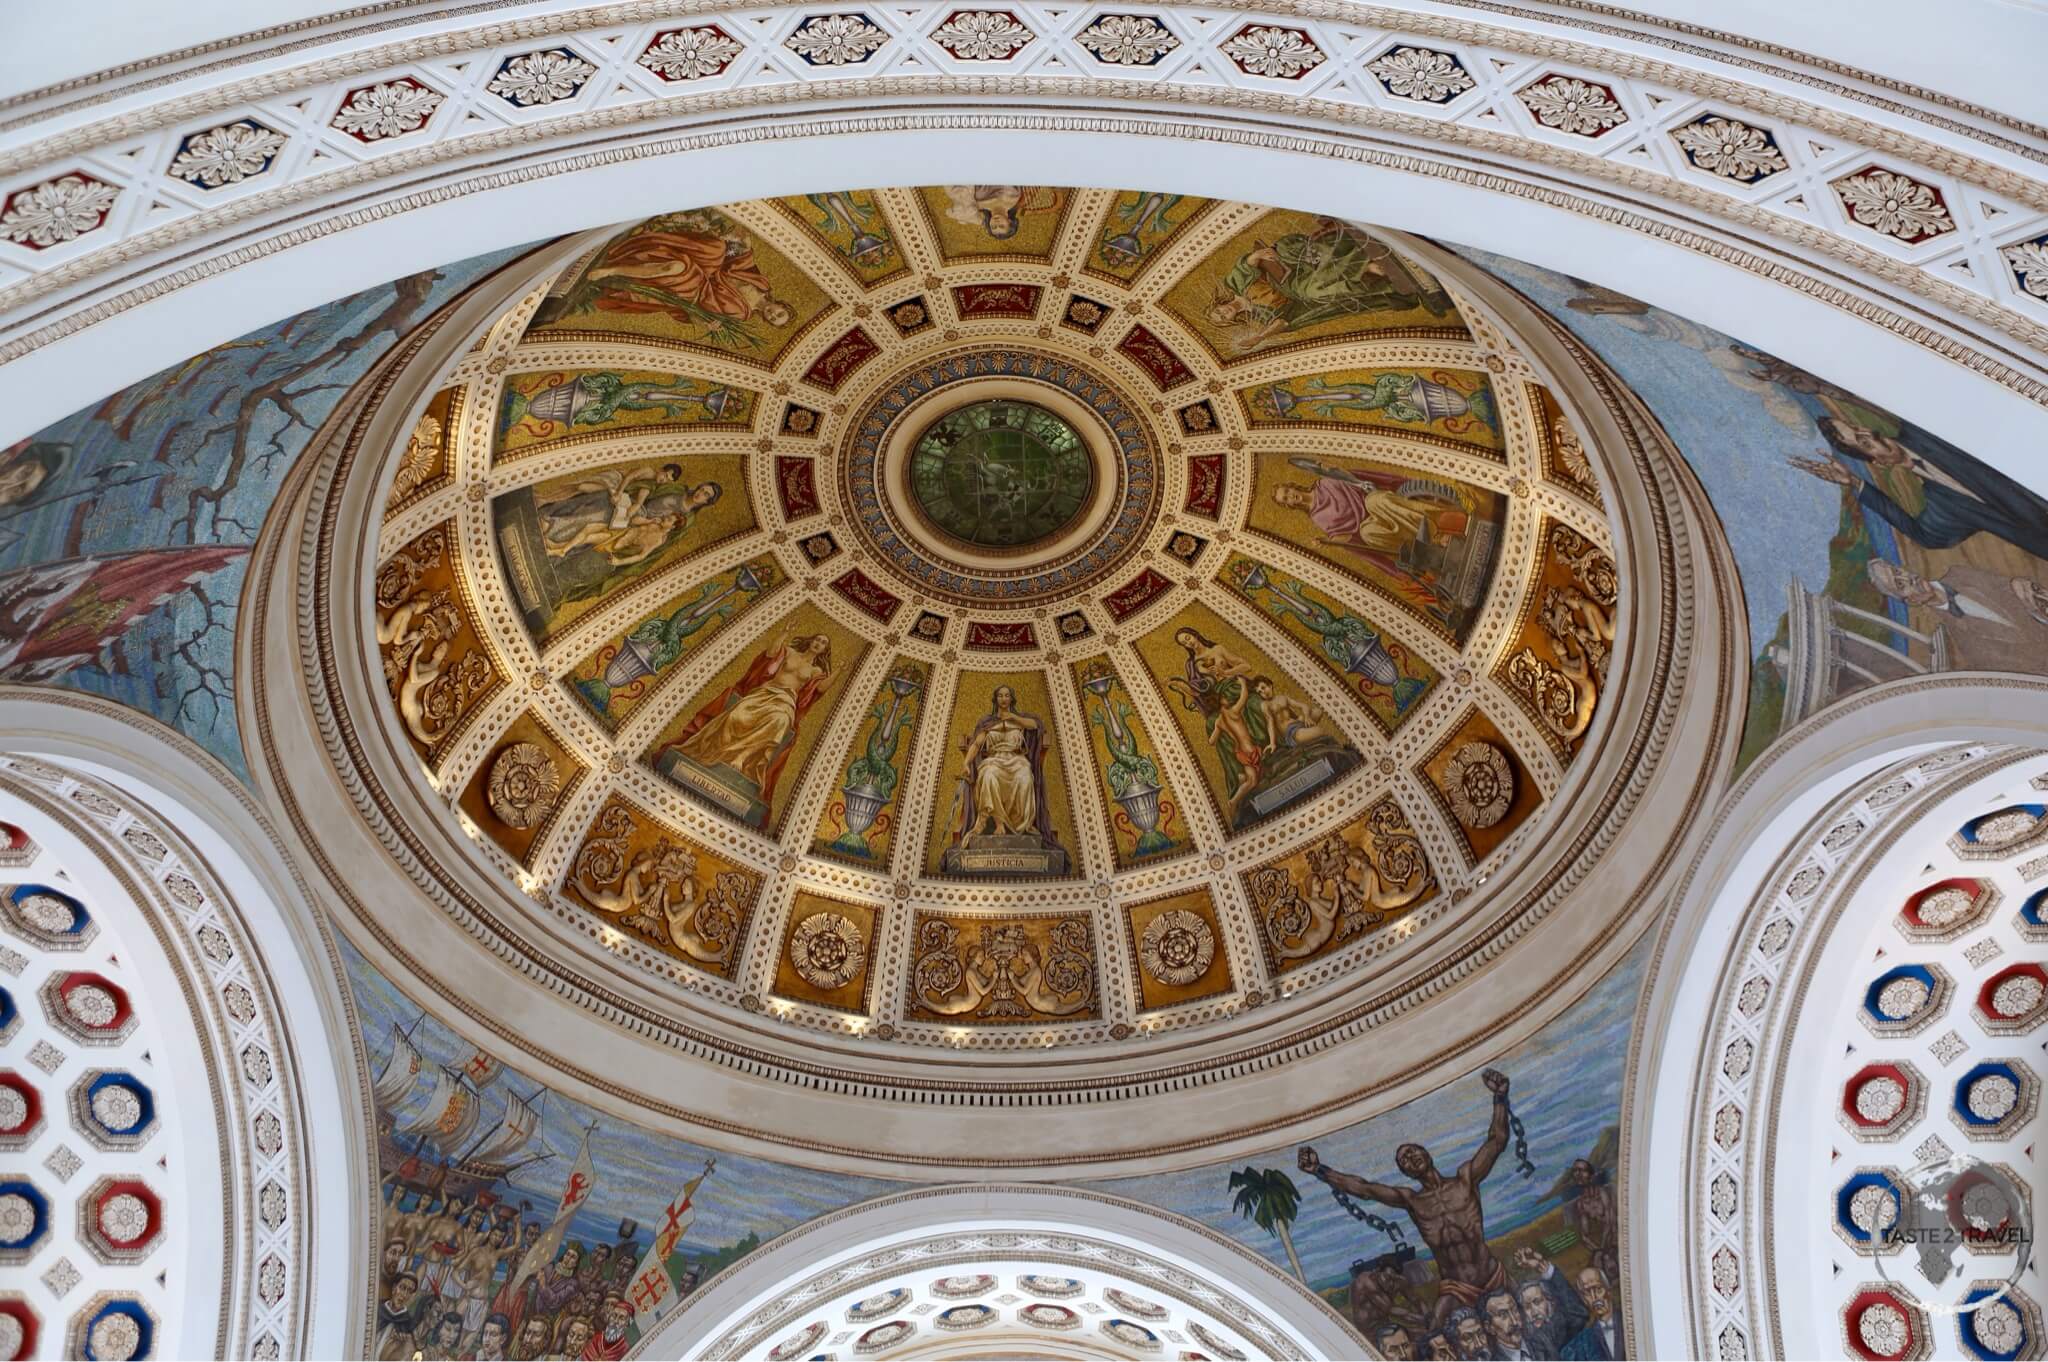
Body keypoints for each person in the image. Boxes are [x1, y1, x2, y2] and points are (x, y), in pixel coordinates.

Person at [1299, 1070, 1515, 1329]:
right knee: (1436, 1334)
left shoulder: (1465, 1179)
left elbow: (1497, 1141)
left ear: (1427, 1153)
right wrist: (1320, 1170)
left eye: (1413, 1152)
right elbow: (1365, 1189)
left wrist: (1500, 1097)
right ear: (1405, 1172)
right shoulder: (1412, 1200)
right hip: (1456, 1288)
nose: (1411, 1158)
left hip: (1491, 1274)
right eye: (1404, 1160)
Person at [1794, 414, 2048, 562]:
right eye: (1864, 442)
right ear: (1879, 463)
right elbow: (1925, 536)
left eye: (1861, 430)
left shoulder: (1922, 430)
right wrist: (1856, 483)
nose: (1871, 435)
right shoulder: (1942, 505)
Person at [1206, 217, 1452, 353]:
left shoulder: (1234, 283)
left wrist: (1259, 257)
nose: (1223, 313)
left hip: (1290, 260)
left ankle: (1364, 267)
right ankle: (1364, 268)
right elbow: (1287, 320)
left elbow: (1248, 262)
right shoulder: (1261, 315)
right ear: (1230, 321)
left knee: (1306, 288)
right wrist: (1260, 336)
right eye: (1222, 318)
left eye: (1218, 311)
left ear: (1220, 304)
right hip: (1301, 284)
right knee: (1311, 292)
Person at [663, 631, 835, 813]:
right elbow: (770, 654)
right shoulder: (790, 652)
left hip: (785, 702)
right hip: (766, 691)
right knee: (736, 714)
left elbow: (821, 688)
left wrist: (839, 670)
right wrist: (783, 633)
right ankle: (717, 752)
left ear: (825, 650)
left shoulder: (817, 671)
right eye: (817, 639)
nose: (818, 643)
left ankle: (741, 759)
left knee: (779, 722)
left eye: (823, 643)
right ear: (811, 639)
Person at [1865, 558, 2048, 674]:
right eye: (1900, 584)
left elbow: (2019, 589)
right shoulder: (1959, 639)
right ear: (1911, 601)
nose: (1908, 578)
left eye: (1898, 572)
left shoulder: (1961, 574)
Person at [952, 685, 1056, 845]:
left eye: (1007, 695)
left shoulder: (1021, 720)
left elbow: (1035, 725)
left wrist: (1013, 718)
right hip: (994, 760)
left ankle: (1023, 825)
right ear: (995, 699)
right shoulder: (988, 722)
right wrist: (966, 763)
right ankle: (999, 824)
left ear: (1012, 699)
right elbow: (976, 745)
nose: (1003, 699)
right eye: (1000, 695)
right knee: (988, 775)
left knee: (1025, 776)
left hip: (1016, 760)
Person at [1560, 1268, 1622, 1361]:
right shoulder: (1580, 1344)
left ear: (1608, 1290)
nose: (1594, 1297)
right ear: (1584, 1300)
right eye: (1587, 1293)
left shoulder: (1630, 1320)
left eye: (1598, 1289)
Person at [1481, 1288, 1535, 1361]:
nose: (1514, 1322)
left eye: (1515, 1310)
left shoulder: (1541, 1342)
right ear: (1489, 1328)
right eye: (1503, 1315)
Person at [581, 1295, 632, 1360]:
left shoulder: (625, 1348)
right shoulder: (596, 1339)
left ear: (627, 1324)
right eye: (614, 1315)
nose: (615, 1321)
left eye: (621, 1318)